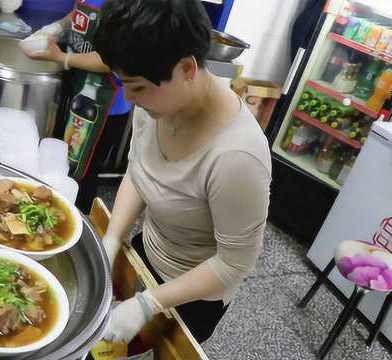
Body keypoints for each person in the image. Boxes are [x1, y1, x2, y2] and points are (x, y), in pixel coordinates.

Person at [92, 0, 272, 344]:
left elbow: (233, 266)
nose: (129, 99)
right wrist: (112, 240)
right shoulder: (159, 99)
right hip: (146, 251)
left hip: (193, 295)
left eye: (137, 87)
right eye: (124, 84)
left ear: (187, 68)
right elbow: (140, 172)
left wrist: (148, 304)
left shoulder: (238, 158)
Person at [22, 0, 133, 213]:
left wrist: (62, 57)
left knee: (84, 172)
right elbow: (80, 13)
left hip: (105, 107)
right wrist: (57, 27)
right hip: (79, 90)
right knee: (65, 163)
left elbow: (109, 60)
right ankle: (54, 215)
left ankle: (79, 223)